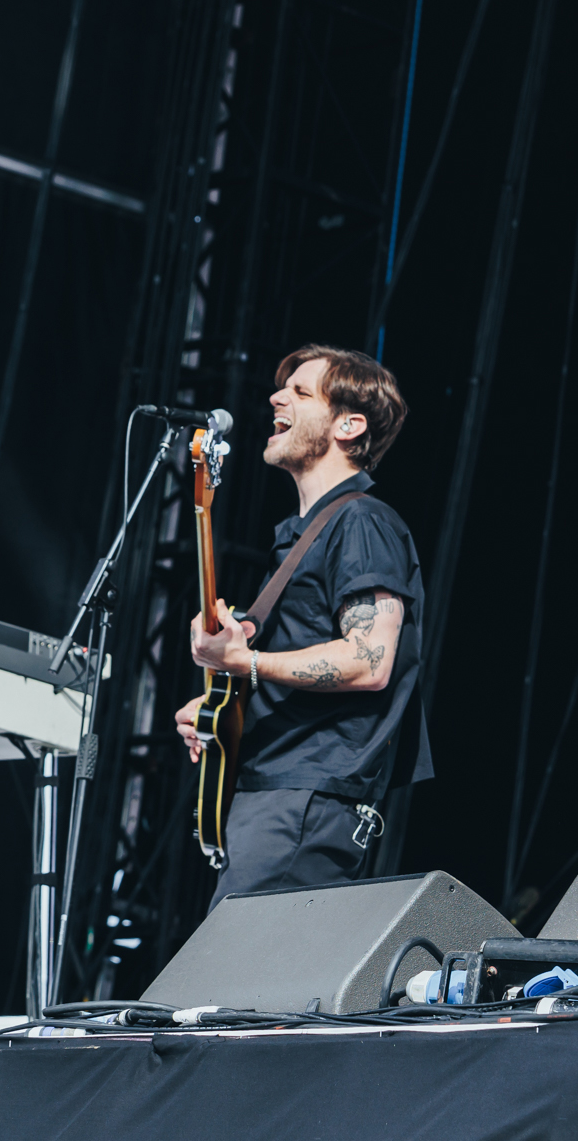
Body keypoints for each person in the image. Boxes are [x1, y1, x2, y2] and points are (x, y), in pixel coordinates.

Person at [174, 345, 433, 904]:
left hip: (305, 801)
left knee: (230, 981)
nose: (276, 397)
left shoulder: (362, 521)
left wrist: (250, 662)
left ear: (349, 424)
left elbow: (369, 661)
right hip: (277, 796)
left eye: (300, 391)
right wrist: (222, 712)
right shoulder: (305, 534)